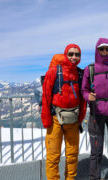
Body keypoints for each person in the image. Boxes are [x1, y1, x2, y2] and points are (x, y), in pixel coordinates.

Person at [81, 38, 108, 180]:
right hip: (96, 113)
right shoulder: (90, 69)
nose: (105, 52)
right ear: (97, 50)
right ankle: (94, 177)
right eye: (102, 49)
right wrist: (89, 97)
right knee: (96, 150)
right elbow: (84, 90)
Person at [41, 44, 86, 180]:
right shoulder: (53, 71)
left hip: (73, 119)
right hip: (55, 119)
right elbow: (46, 96)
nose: (74, 57)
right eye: (71, 54)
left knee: (73, 154)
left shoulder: (80, 73)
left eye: (77, 54)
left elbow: (82, 99)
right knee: (53, 155)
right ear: (65, 54)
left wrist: (80, 118)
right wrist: (46, 119)